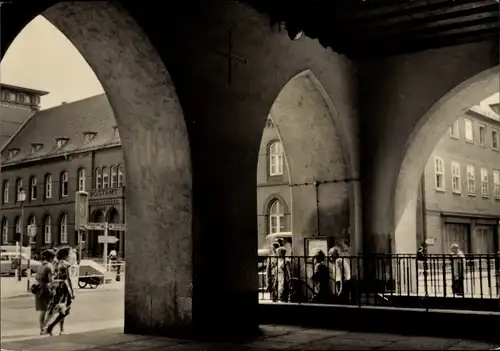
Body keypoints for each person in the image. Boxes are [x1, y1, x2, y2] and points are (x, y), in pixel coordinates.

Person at [43, 246, 75, 336]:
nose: (71, 255)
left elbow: (51, 277)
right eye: (70, 253)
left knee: (61, 310)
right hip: (63, 287)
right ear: (66, 255)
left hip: (56, 287)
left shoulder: (55, 263)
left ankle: (61, 329)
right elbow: (69, 279)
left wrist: (52, 287)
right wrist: (72, 291)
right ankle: (50, 327)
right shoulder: (66, 264)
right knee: (66, 310)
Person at [34, 249, 55, 334]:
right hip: (46, 289)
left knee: (43, 310)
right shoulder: (49, 266)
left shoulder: (40, 265)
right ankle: (46, 328)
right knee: (51, 310)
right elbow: (51, 280)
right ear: (51, 257)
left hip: (39, 288)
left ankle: (42, 328)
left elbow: (36, 277)